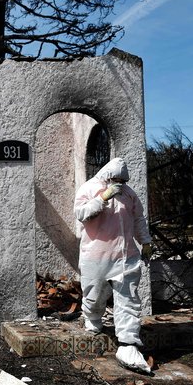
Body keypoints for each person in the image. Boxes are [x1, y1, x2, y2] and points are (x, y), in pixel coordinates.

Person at [74, 157, 153, 374]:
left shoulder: (129, 194)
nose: (119, 182)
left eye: (122, 179)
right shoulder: (89, 188)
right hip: (96, 255)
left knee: (129, 299)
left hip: (127, 255)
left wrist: (145, 241)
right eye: (115, 178)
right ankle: (92, 316)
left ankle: (128, 344)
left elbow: (139, 219)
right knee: (94, 294)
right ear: (107, 175)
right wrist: (102, 198)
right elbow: (80, 214)